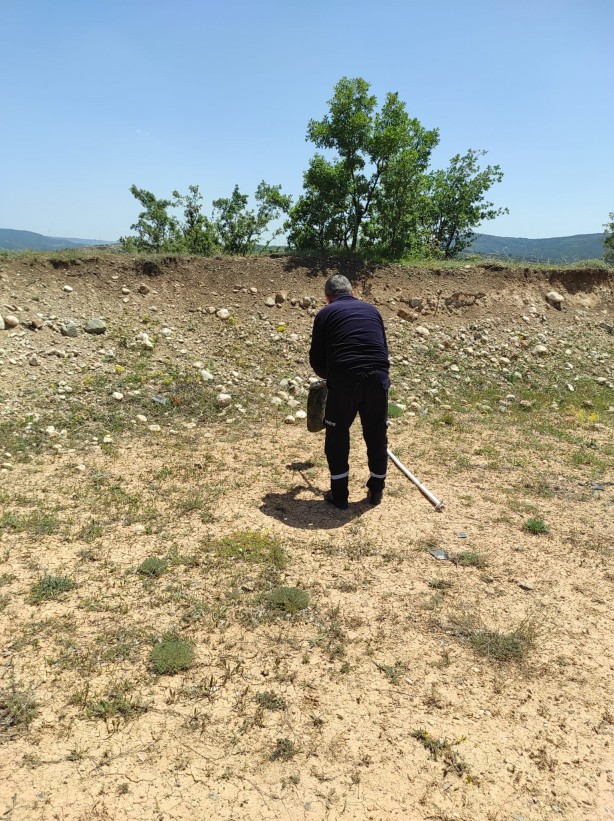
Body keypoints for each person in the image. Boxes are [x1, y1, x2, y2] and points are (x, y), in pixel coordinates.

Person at [309, 274, 390, 510]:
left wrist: (330, 376)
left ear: (328, 298)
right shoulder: (373, 311)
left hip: (345, 378)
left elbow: (316, 360)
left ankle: (339, 494)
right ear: (352, 292)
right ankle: (376, 490)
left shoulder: (325, 314)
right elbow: (381, 348)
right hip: (378, 376)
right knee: (376, 433)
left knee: (337, 433)